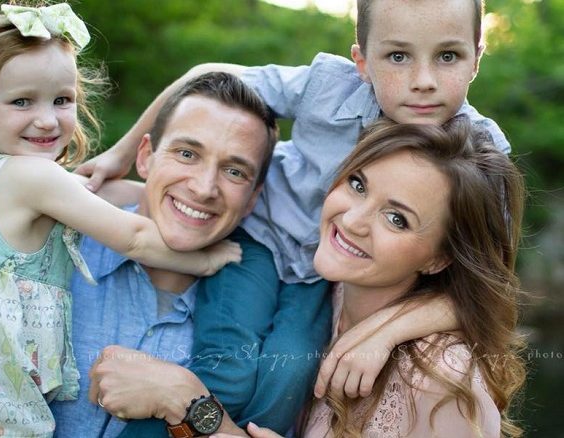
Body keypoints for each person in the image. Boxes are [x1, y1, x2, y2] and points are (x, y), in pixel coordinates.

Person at [79, 0, 510, 435]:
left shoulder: (479, 154)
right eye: (398, 56)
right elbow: (206, 77)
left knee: (291, 372)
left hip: (320, 273)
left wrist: (386, 332)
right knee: (229, 366)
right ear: (362, 61)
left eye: (448, 56)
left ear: (477, 57)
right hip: (260, 239)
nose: (423, 81)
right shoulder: (329, 87)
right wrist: (120, 154)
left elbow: (486, 286)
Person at [0, 4, 241, 437]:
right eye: (21, 101)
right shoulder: (32, 176)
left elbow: (98, 195)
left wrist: (170, 194)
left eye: (62, 100)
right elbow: (136, 239)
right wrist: (209, 258)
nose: (47, 119)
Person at [98, 116, 527, 437]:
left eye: (396, 219)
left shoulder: (441, 380)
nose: (352, 220)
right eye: (357, 185)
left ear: (439, 259)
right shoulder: (325, 290)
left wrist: (185, 402)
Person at [48, 71, 280, 437]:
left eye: (234, 172)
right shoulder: (52, 244)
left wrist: (184, 397)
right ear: (145, 157)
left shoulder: (259, 317)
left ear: (253, 198)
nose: (204, 188)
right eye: (187, 154)